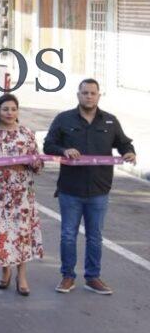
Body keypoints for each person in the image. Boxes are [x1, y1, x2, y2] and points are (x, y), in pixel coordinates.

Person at [43, 78, 136, 296]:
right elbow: (48, 145)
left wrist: (129, 152)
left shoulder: (110, 121)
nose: (89, 96)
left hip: (99, 189)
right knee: (68, 235)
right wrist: (64, 150)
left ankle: (93, 277)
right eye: (85, 93)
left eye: (93, 93)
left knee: (95, 236)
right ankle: (67, 276)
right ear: (78, 95)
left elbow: (124, 143)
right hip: (70, 189)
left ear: (98, 95)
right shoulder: (64, 119)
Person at [0, 94, 43, 296]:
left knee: (21, 233)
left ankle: (22, 276)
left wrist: (32, 162)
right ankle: (5, 271)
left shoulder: (27, 134)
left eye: (13, 109)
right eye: (5, 109)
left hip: (21, 192)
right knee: (1, 233)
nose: (10, 113)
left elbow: (38, 164)